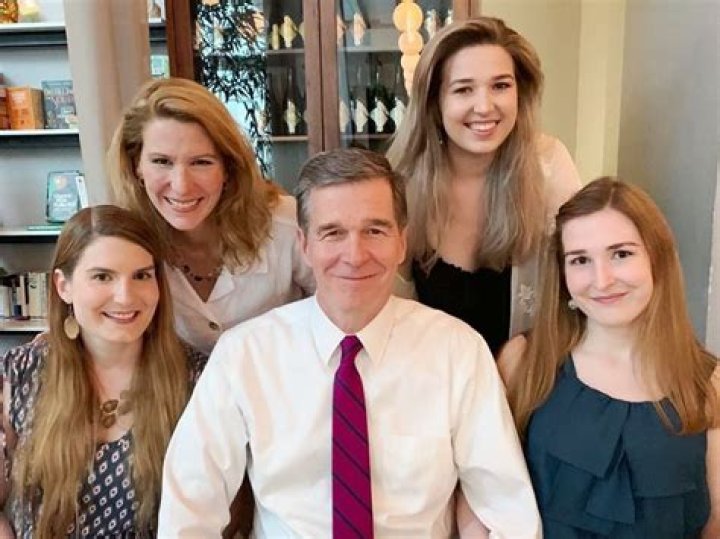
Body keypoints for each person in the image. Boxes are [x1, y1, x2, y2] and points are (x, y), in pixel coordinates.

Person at [157, 148, 541, 537]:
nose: (354, 256)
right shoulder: (245, 355)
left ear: (401, 242)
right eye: (333, 233)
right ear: (304, 245)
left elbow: (509, 511)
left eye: (375, 231)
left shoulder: (457, 352)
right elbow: (188, 509)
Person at [461, 178, 719, 537]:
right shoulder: (524, 364)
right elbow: (478, 495)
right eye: (580, 260)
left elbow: (715, 523)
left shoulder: (708, 383)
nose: (602, 280)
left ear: (657, 259)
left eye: (621, 254)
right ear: (563, 275)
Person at [0, 206, 206, 537]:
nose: (125, 297)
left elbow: (222, 511)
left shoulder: (197, 379)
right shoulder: (21, 371)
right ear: (63, 286)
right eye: (102, 277)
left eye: (141, 276)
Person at [387, 16, 581, 356]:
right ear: (434, 102)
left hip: (529, 376)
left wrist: (526, 356)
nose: (484, 106)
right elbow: (390, 314)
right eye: (463, 89)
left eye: (501, 86)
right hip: (430, 376)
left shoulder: (548, 164)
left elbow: (582, 283)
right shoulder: (400, 182)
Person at [108, 77, 314, 356]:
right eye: (162, 162)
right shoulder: (122, 240)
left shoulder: (287, 223)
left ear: (228, 168)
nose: (181, 185)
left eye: (201, 162)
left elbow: (346, 309)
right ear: (137, 166)